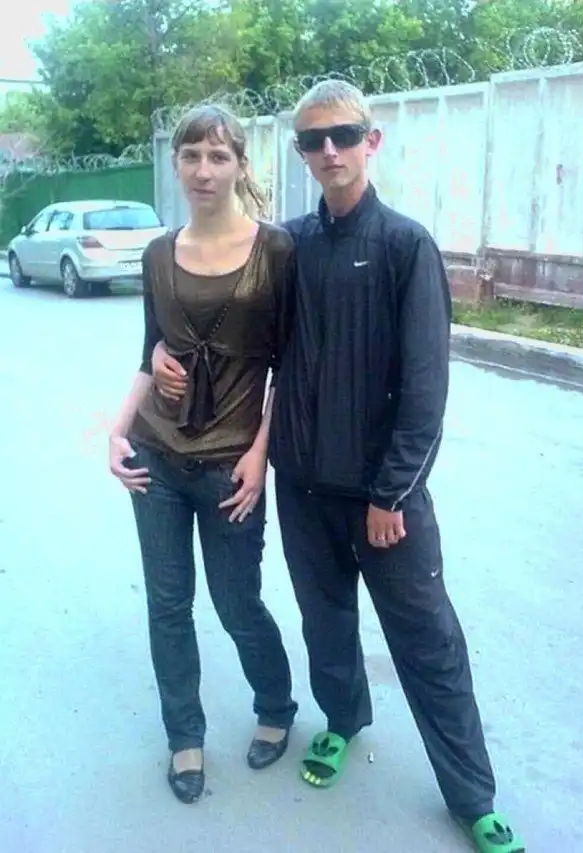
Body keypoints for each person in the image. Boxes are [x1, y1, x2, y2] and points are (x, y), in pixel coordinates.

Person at [152, 82, 525, 852]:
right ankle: (343, 719)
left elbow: (425, 387)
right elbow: (238, 338)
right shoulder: (289, 248)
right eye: (313, 141)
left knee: (427, 641)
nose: (329, 151)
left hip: (385, 500)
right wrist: (161, 351)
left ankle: (472, 795)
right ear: (300, 153)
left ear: (370, 141)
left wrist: (393, 491)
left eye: (344, 136)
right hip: (303, 486)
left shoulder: (405, 247)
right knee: (326, 622)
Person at [108, 103, 298, 806]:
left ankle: (275, 704)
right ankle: (184, 735)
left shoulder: (276, 251)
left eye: (218, 156)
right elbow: (148, 353)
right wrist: (116, 430)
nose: (203, 170)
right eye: (191, 156)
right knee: (168, 606)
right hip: (155, 457)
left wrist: (260, 454)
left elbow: (289, 366)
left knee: (237, 600)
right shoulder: (159, 254)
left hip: (230, 466)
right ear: (176, 164)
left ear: (240, 165)